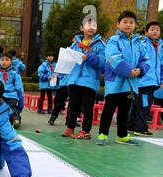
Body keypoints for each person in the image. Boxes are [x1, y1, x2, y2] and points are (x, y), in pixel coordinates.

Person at [96, 10, 147, 146]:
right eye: (125, 22)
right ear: (118, 24)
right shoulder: (113, 41)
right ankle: (102, 134)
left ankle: (122, 135)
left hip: (130, 84)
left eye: (131, 22)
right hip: (115, 83)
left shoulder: (138, 42)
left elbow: (145, 59)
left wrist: (140, 70)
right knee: (109, 109)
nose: (128, 25)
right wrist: (129, 71)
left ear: (135, 25)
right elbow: (113, 58)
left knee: (125, 110)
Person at [61, 19, 105, 139]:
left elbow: (103, 61)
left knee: (87, 107)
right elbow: (68, 60)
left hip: (89, 81)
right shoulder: (75, 44)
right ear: (82, 28)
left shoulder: (100, 44)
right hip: (74, 80)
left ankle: (85, 130)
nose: (91, 27)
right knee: (72, 106)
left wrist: (89, 58)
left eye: (94, 25)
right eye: (88, 25)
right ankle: (70, 127)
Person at [128, 21, 163, 136]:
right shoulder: (143, 43)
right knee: (144, 105)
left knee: (138, 104)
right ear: (147, 32)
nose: (155, 31)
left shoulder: (159, 46)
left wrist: (161, 79)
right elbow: (138, 58)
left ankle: (130, 126)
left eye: (157, 30)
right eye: (152, 29)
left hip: (153, 81)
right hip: (143, 81)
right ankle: (140, 128)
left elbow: (161, 65)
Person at [0, 52, 23, 128]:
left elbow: (19, 86)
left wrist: (20, 97)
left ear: (11, 61)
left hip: (11, 95)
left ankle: (16, 120)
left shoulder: (15, 73)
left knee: (14, 108)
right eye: (2, 60)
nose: (4, 62)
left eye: (7, 60)